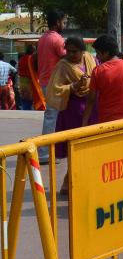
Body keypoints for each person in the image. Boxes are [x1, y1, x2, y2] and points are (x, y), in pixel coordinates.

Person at [46, 37, 97, 192]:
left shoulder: (89, 58)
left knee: (90, 146)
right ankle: (69, 182)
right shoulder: (62, 66)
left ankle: (82, 180)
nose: (70, 54)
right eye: (68, 51)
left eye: (74, 51)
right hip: (72, 110)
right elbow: (54, 89)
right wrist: (73, 86)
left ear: (83, 51)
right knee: (74, 148)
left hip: (91, 106)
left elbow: (97, 75)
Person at [83, 35, 123, 125]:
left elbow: (91, 100)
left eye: (98, 53)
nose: (97, 57)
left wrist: (84, 122)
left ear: (106, 53)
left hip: (106, 122)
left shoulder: (97, 71)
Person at [37, 9, 66, 162]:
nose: (64, 24)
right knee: (52, 116)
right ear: (57, 22)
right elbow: (68, 57)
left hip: (46, 81)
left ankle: (52, 149)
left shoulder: (43, 38)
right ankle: (43, 152)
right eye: (64, 22)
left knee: (53, 115)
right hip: (53, 82)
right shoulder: (57, 39)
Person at [16, 46, 38, 110]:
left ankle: (25, 110)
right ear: (33, 51)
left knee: (24, 99)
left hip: (22, 81)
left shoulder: (21, 59)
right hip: (31, 81)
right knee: (32, 98)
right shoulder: (32, 58)